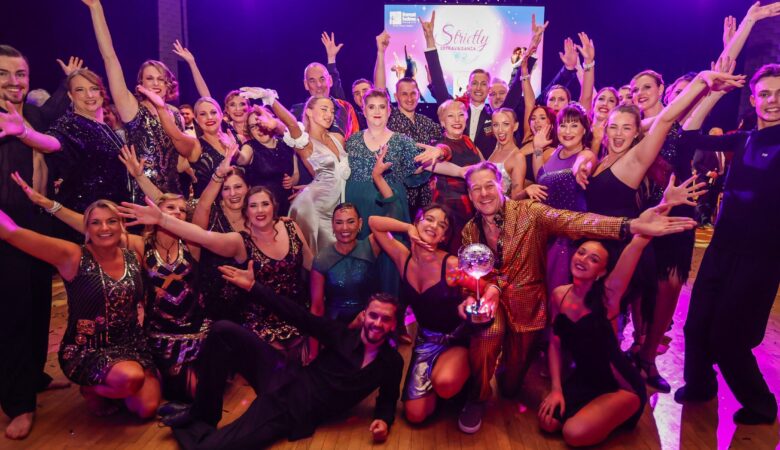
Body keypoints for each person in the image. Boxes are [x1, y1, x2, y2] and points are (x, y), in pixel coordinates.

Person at [455, 161, 698, 434]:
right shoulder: (469, 230)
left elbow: (576, 221)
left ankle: (504, 369)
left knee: (511, 388)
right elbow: (471, 274)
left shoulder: (529, 213)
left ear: (502, 185)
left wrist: (630, 225)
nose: (484, 193)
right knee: (488, 333)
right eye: (476, 188)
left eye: (489, 185)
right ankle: (475, 397)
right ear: (469, 193)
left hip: (527, 308)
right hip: (493, 303)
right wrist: (467, 299)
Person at [13, 175, 207, 401]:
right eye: (168, 208)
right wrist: (49, 204)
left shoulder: (191, 245)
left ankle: (118, 385)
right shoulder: (141, 246)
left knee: (156, 404)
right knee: (137, 386)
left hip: (167, 338)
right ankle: (98, 385)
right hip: (149, 337)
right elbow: (100, 230)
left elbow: (203, 213)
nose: (175, 213)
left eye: (181, 210)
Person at [166, 272, 403, 448]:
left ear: (393, 324)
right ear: (365, 315)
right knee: (223, 330)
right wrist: (254, 287)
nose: (378, 323)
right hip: (283, 374)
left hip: (290, 409)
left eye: (385, 319)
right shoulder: (340, 334)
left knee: (210, 449)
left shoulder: (391, 362)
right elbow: (297, 315)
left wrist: (383, 420)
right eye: (373, 315)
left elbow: (388, 398)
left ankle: (189, 426)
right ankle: (202, 412)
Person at [675, 62, 780, 425]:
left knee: (728, 336)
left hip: (762, 258)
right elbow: (687, 137)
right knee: (695, 325)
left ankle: (762, 405)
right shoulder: (744, 138)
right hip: (722, 249)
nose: (773, 101)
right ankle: (700, 385)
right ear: (753, 99)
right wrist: (713, 92)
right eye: (765, 93)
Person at [0, 200, 161, 420]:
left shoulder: (134, 255)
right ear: (86, 228)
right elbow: (13, 233)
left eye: (111, 221)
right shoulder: (73, 255)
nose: (104, 228)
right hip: (89, 348)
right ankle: (92, 389)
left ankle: (114, 387)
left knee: (147, 408)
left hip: (132, 344)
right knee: (130, 379)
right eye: (96, 223)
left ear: (121, 225)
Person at [120, 183, 315, 363]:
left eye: (265, 204)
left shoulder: (290, 226)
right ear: (246, 212)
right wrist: (160, 218)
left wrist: (319, 309)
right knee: (277, 376)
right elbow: (202, 235)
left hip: (298, 317)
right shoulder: (240, 241)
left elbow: (312, 266)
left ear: (274, 206)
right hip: (261, 327)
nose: (260, 210)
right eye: (254, 206)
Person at [0, 45, 74, 440]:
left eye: (21, 74)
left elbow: (54, 137)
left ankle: (34, 376)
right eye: (4, 74)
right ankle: (18, 403)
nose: (15, 82)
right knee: (13, 314)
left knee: (38, 305)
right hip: (5, 226)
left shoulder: (29, 113)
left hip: (37, 222)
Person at [369, 206, 471, 424]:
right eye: (429, 219)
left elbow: (481, 285)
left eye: (441, 225)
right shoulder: (402, 257)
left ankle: (466, 386)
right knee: (415, 416)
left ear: (444, 237)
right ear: (417, 223)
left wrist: (473, 300)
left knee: (444, 383)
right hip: (425, 342)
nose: (433, 226)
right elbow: (374, 223)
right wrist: (407, 228)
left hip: (456, 341)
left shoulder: (451, 264)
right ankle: (441, 388)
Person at [345, 89, 443, 292]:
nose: (377, 111)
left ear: (390, 111)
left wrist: (441, 151)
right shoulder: (352, 141)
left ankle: (390, 310)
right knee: (361, 261)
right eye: (371, 106)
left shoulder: (401, 141)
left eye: (382, 106)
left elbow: (426, 161)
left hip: (390, 207)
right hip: (358, 208)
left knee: (391, 259)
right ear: (363, 110)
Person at [83, 0, 184, 194]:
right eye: (150, 79)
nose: (156, 84)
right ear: (141, 84)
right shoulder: (133, 108)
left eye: (161, 79)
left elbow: (178, 158)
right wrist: (96, 9)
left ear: (168, 84)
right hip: (140, 193)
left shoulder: (176, 114)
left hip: (172, 195)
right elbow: (110, 58)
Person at [374, 31, 444, 218]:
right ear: (396, 97)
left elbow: (443, 147)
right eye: (404, 94)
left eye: (413, 93)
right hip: (398, 193)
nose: (409, 98)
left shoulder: (427, 122)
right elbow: (379, 90)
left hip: (427, 197)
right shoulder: (390, 118)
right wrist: (381, 53)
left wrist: (435, 169)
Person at [45, 69, 131, 216]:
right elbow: (51, 142)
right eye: (80, 90)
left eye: (94, 89)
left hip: (113, 210)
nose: (89, 95)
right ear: (70, 96)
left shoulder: (103, 126)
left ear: (101, 93)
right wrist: (25, 133)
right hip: (85, 214)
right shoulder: (69, 124)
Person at [137, 90, 251, 199]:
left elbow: (247, 161)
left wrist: (235, 152)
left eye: (213, 112)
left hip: (243, 208)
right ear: (196, 119)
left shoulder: (239, 139)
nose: (209, 117)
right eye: (203, 114)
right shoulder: (196, 146)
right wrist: (161, 108)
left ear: (221, 114)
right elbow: (175, 136)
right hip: (211, 211)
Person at [532, 104, 595, 297]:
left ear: (584, 129)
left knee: (559, 294)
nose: (567, 131)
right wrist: (537, 148)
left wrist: (580, 170)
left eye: (574, 125)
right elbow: (539, 178)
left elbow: (583, 163)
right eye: (563, 125)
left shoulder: (586, 153)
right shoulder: (552, 153)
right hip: (544, 232)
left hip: (567, 239)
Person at [288, 96, 350, 255]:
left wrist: (310, 187)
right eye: (324, 109)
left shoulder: (338, 138)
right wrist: (271, 100)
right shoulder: (304, 143)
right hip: (314, 209)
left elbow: (330, 174)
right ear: (308, 111)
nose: (329, 114)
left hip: (336, 206)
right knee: (319, 261)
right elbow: (290, 125)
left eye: (332, 111)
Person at [310, 203, 379, 325]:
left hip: (369, 325)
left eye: (351, 221)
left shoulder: (370, 246)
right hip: (336, 328)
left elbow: (389, 220)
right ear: (332, 225)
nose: (345, 228)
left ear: (360, 223)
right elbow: (317, 308)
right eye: (339, 222)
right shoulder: (322, 258)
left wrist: (409, 228)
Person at [430, 100, 483, 254]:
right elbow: (442, 151)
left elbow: (483, 164)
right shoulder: (440, 144)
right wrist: (438, 151)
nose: (457, 120)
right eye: (451, 116)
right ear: (442, 122)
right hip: (451, 213)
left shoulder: (467, 141)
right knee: (452, 256)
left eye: (461, 115)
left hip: (473, 209)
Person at [241, 103, 300, 217]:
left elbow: (296, 174)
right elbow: (242, 159)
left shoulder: (287, 143)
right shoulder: (250, 146)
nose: (259, 128)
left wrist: (293, 181)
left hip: (289, 208)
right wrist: (234, 154)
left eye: (261, 122)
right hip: (263, 211)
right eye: (253, 126)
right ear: (250, 131)